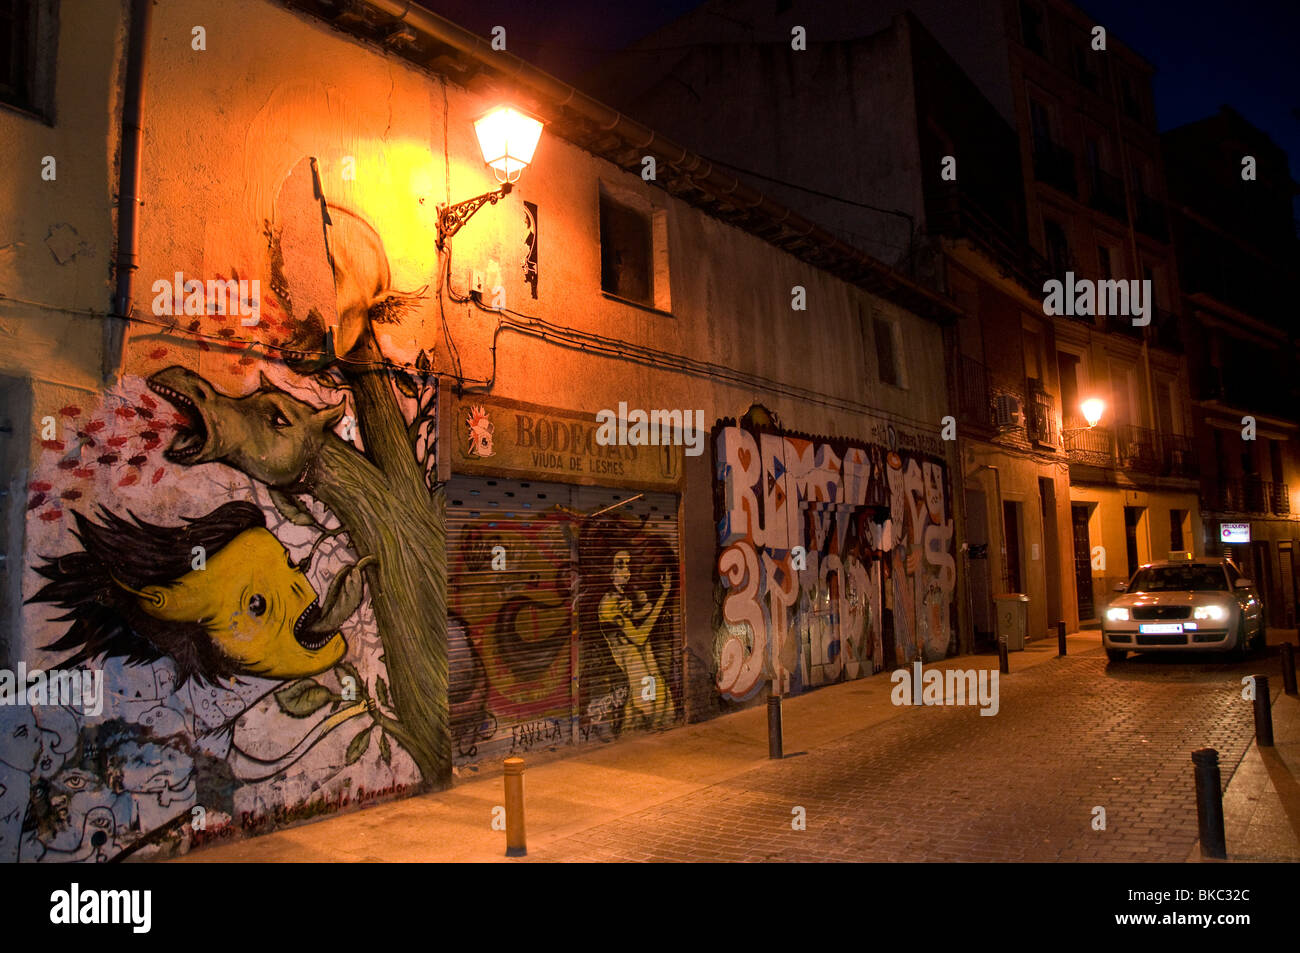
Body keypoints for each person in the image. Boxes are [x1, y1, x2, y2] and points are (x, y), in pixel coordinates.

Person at [597, 551, 674, 730]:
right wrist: (663, 596)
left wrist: (646, 608)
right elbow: (639, 637)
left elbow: (634, 618)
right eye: (620, 565)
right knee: (636, 722)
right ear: (609, 572)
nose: (626, 571)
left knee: (659, 717)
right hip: (638, 681)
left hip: (650, 679)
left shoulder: (623, 600)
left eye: (628, 565)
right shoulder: (608, 604)